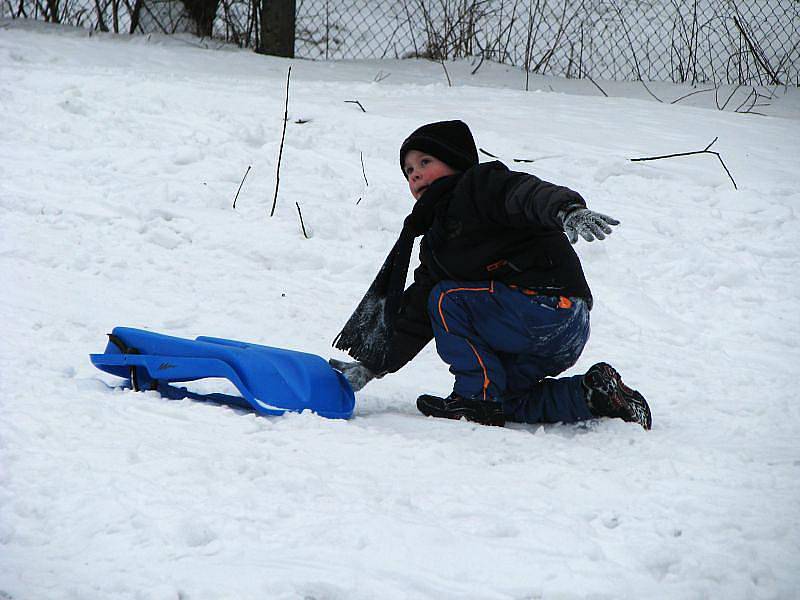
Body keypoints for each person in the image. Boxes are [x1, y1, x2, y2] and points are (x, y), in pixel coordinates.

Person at [331, 120, 651, 429]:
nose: (415, 175)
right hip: (558, 331)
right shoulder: (436, 244)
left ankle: (475, 399)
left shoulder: (481, 186)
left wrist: (566, 210)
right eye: (408, 172)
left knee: (444, 299)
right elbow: (415, 316)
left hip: (549, 306)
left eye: (424, 161)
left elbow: (526, 194)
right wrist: (371, 366)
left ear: (455, 160)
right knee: (509, 398)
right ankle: (597, 395)